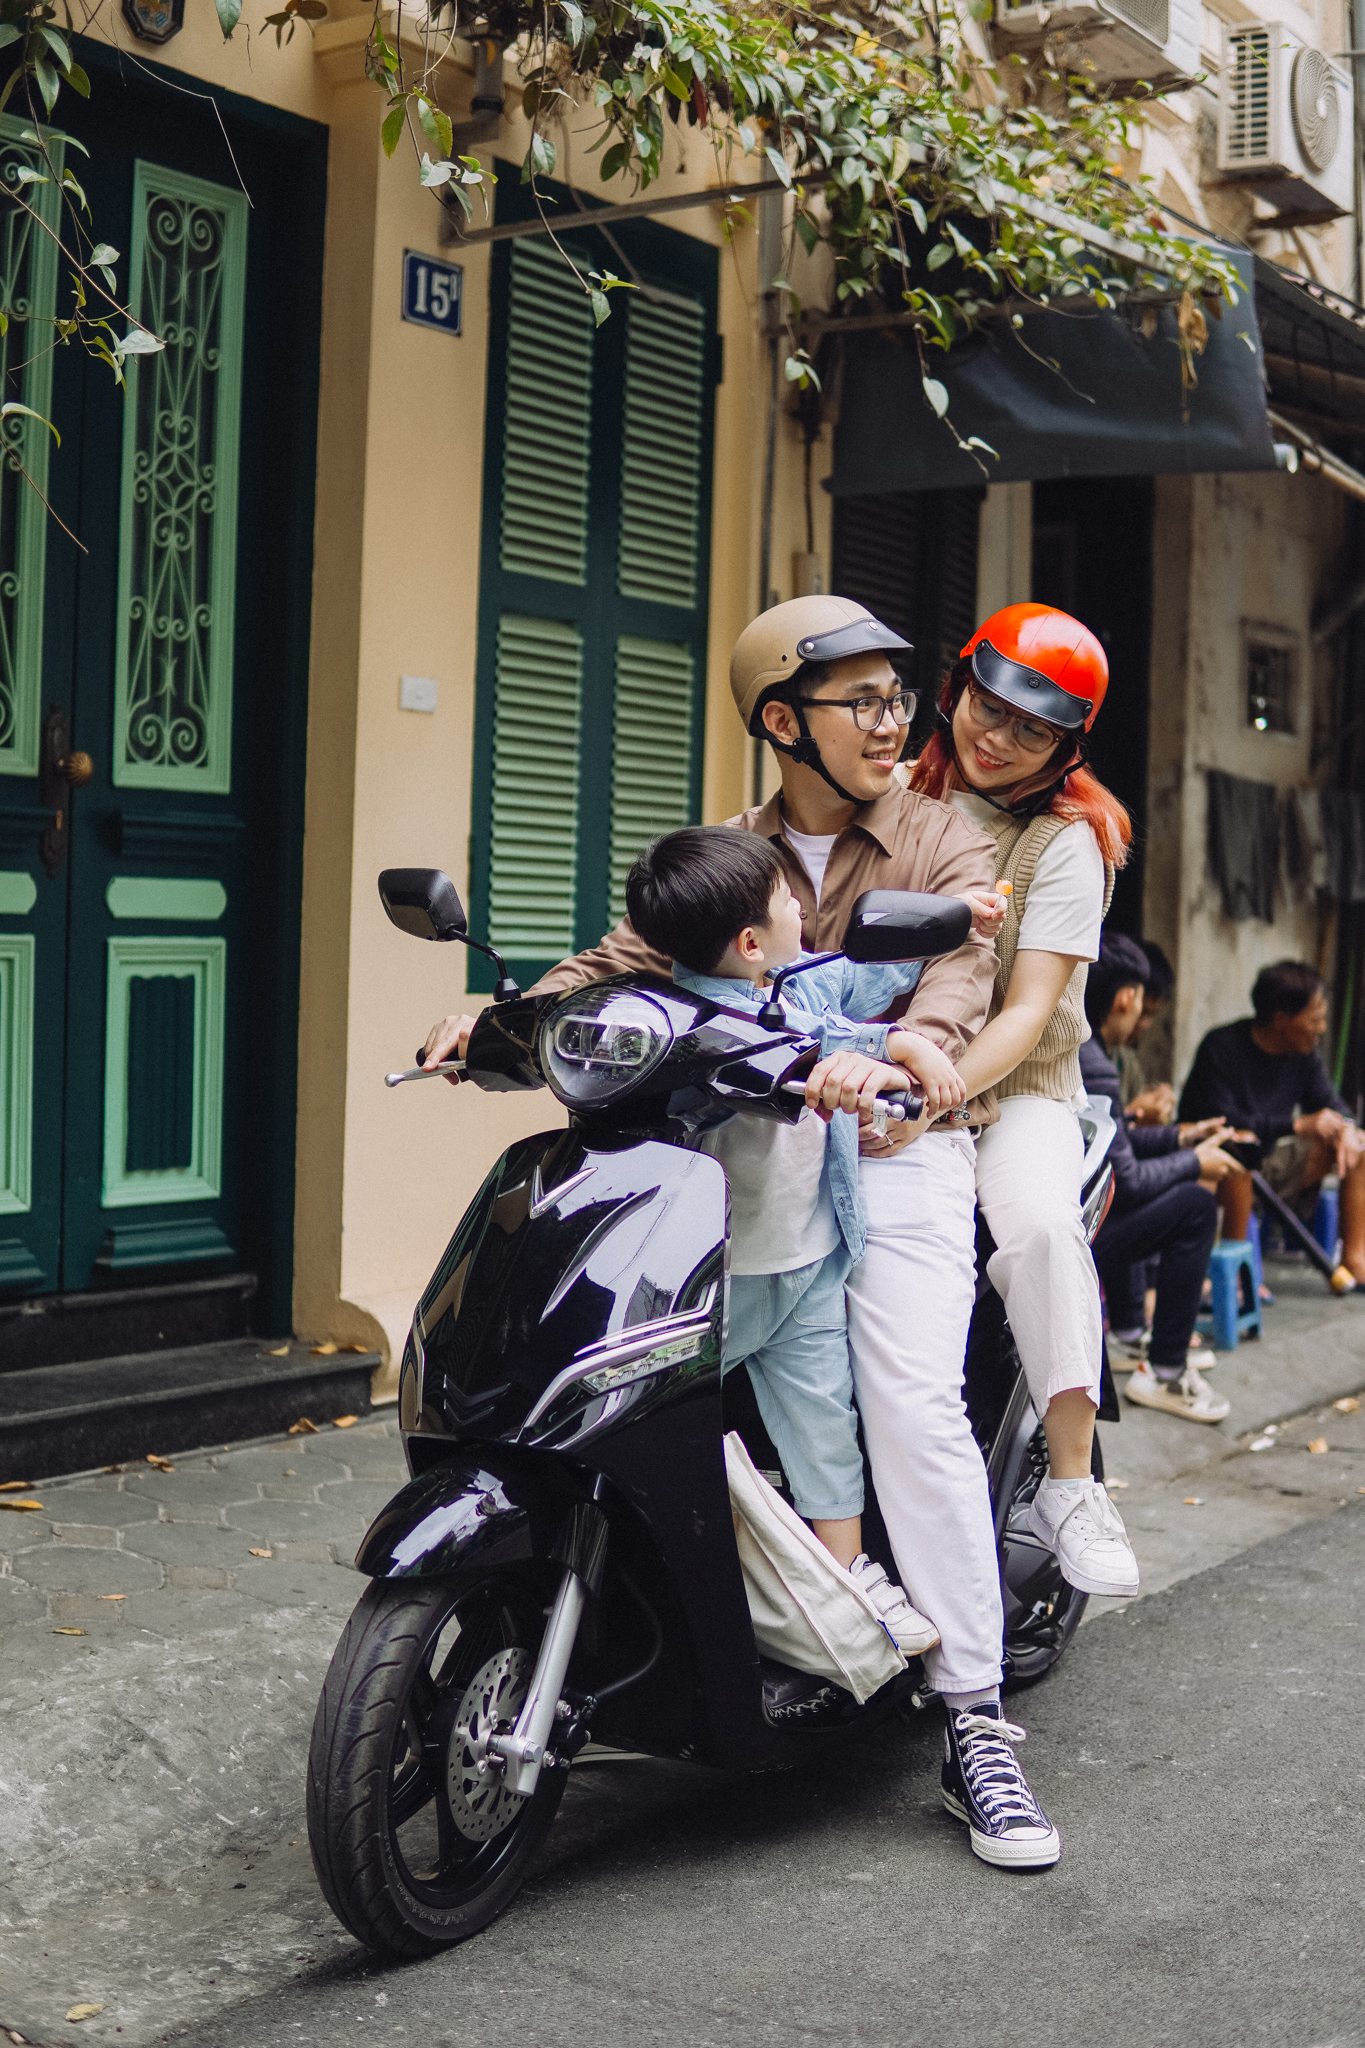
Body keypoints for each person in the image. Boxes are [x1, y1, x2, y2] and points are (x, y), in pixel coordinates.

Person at [425, 595, 1063, 1872]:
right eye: (863, 700)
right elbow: (617, 960)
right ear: (783, 720)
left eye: (898, 698)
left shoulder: (939, 835)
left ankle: (973, 1714)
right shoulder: (727, 847)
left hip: (896, 1144)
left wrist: (909, 1055)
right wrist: (504, 1021)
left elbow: (954, 975)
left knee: (905, 1396)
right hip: (732, 1148)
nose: (894, 722)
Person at [624, 824, 960, 1647]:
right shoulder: (689, 1025)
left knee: (823, 1432)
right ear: (749, 943)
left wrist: (956, 927)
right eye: (786, 900)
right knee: (658, 1427)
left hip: (810, 1263)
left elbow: (856, 977)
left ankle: (846, 1589)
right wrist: (896, 1041)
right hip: (720, 1284)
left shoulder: (792, 980)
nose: (800, 908)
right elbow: (816, 1044)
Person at [903, 602, 1140, 1598]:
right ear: (956, 688)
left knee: (1039, 1227)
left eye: (1030, 731)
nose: (995, 739)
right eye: (986, 708)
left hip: (1018, 1084)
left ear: (1065, 746)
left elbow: (1030, 1008)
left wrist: (934, 1091)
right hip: (872, 1074)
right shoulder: (889, 794)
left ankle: (1073, 1486)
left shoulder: (1066, 842)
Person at [1079, 933, 1242, 1425]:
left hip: (1062, 1220)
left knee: (1166, 1188)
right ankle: (1167, 1372)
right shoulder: (1097, 1065)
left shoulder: (1081, 1047)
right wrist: (1195, 1163)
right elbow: (1127, 1180)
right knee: (1194, 1206)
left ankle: (1132, 1338)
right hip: (1079, 1235)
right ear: (1127, 998)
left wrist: (1182, 1137)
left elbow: (1117, 1141)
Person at [1178, 960, 1365, 1284]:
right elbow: (1222, 1121)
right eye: (1315, 1018)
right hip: (1216, 1171)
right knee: (1238, 1152)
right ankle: (1239, 1277)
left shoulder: (1303, 1055)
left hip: (1270, 1164)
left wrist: (1347, 1127)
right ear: (1281, 1020)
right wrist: (1295, 1126)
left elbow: (1332, 1104)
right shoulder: (1221, 1047)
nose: (1322, 1028)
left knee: (1358, 1146)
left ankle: (1355, 1261)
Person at [1118, 938, 1177, 1125]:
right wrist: (1132, 1113)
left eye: (1152, 1014)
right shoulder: (1082, 1054)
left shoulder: (1126, 1059)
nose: (1145, 1024)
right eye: (1142, 1012)